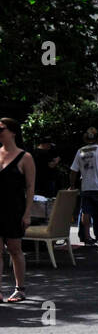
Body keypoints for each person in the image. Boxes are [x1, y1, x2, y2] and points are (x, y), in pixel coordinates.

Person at [0, 117, 36, 303]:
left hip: (14, 208)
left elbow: (30, 187)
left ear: (12, 132)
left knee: (14, 249)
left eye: (1, 129)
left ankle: (19, 288)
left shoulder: (25, 157)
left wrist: (27, 212)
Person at [70, 128, 98, 248]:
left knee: (86, 211)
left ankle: (87, 237)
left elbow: (73, 170)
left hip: (86, 187)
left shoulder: (80, 151)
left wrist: (73, 185)